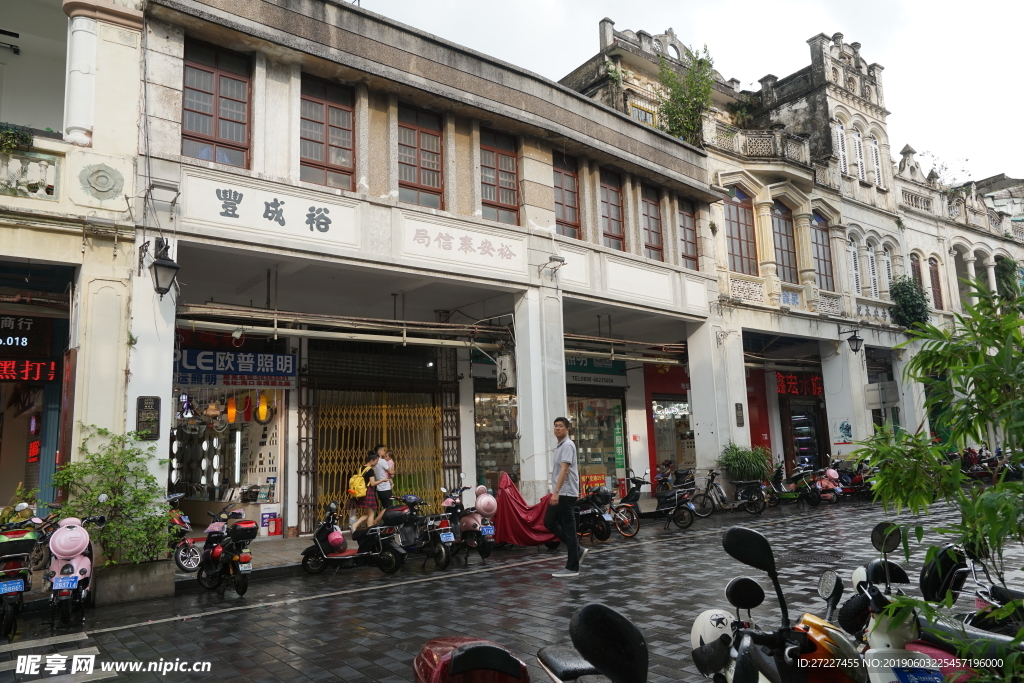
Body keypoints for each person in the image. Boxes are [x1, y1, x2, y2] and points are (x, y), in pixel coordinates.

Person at [546, 416, 587, 578]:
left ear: (567, 429)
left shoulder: (568, 445)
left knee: (569, 529)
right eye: (555, 426)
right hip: (561, 493)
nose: (557, 428)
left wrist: (555, 492)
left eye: (561, 426)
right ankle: (576, 549)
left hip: (565, 493)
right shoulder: (560, 446)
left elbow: (564, 470)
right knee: (549, 522)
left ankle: (572, 567)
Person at [351, 451, 382, 533]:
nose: (376, 463)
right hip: (368, 492)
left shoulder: (361, 468)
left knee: (368, 513)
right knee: (371, 513)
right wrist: (382, 480)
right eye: (376, 461)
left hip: (362, 492)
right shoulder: (370, 470)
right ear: (372, 460)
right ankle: (358, 526)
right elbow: (372, 483)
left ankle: (369, 529)